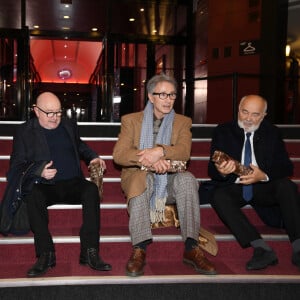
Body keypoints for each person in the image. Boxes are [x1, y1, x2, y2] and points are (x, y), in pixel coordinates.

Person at [113, 73, 217, 277]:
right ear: (151, 97)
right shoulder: (131, 120)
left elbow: (183, 152)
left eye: (172, 95)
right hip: (139, 175)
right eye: (162, 95)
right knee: (142, 179)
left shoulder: (182, 122)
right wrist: (151, 160)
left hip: (170, 180)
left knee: (188, 180)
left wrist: (159, 151)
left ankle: (191, 248)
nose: (168, 99)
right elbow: (120, 155)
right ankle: (139, 249)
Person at [8, 92, 111, 277]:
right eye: (50, 113)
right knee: (33, 194)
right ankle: (46, 254)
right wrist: (38, 171)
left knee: (91, 191)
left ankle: (89, 252)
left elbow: (79, 146)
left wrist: (93, 157)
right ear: (36, 111)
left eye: (58, 112)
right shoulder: (24, 131)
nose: (55, 117)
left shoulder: (68, 125)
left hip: (73, 182)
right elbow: (15, 166)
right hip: (46, 185)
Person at [208, 94, 300, 270]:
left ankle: (298, 246)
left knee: (287, 186)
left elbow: (286, 167)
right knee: (218, 195)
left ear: (264, 115)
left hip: (262, 187)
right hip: (235, 185)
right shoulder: (223, 131)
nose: (248, 118)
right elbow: (212, 170)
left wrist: (263, 175)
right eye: (244, 112)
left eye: (255, 114)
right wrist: (221, 170)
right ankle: (261, 248)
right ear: (238, 110)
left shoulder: (272, 132)